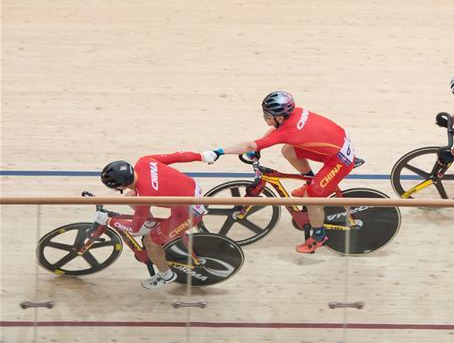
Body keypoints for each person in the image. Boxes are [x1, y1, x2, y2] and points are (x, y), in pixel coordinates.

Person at [202, 91, 355, 254]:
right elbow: (275, 132)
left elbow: (250, 145)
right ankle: (310, 180)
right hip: (338, 145)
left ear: (280, 117)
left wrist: (219, 152)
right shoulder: (296, 112)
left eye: (267, 115)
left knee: (311, 199)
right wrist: (259, 146)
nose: (264, 118)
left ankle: (319, 236)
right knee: (288, 150)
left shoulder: (288, 131)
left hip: (340, 161)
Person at [96, 152, 207, 289]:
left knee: (150, 242)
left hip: (190, 212)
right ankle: (149, 223)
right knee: (131, 197)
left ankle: (166, 275)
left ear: (120, 187)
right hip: (191, 189)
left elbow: (134, 228)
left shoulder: (145, 196)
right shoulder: (144, 161)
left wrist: (109, 221)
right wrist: (202, 156)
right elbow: (178, 156)